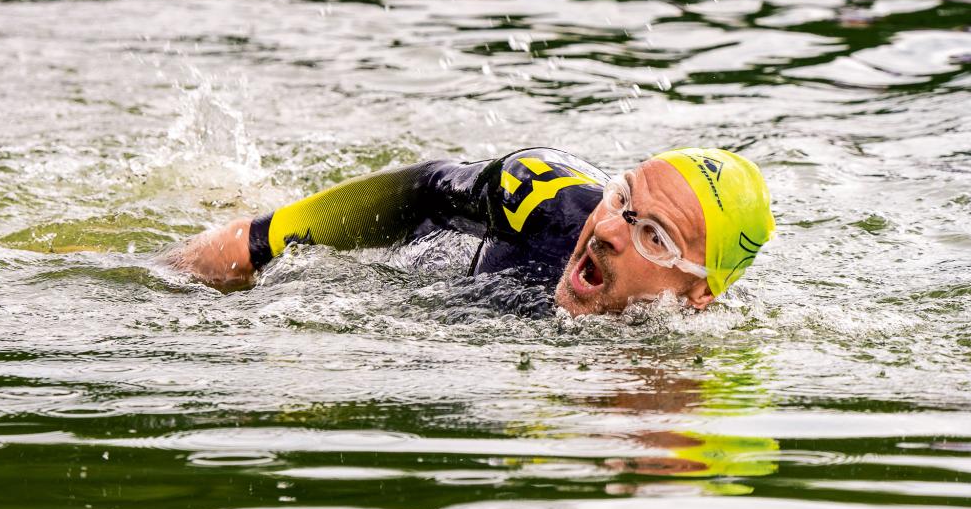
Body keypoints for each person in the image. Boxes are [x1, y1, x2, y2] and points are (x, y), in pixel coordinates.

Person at [169, 147, 775, 316]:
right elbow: (430, 185)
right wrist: (259, 240)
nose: (610, 232)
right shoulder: (545, 200)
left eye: (654, 237)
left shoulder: (697, 351)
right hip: (433, 247)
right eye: (622, 200)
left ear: (701, 293)